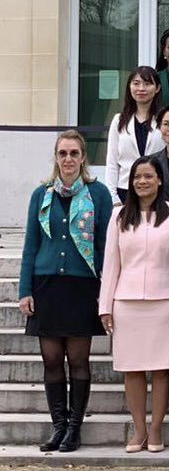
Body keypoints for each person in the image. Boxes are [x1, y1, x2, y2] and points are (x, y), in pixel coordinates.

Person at [18, 131, 113, 453]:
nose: (68, 159)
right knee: (51, 358)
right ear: (55, 158)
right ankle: (57, 427)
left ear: (83, 157)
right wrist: (25, 290)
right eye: (63, 153)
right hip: (47, 284)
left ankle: (75, 428)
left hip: (82, 284)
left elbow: (104, 246)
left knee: (78, 358)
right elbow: (31, 243)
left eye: (74, 153)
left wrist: (107, 290)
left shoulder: (98, 194)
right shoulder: (41, 194)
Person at [98, 157, 169, 453]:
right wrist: (105, 305)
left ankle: (156, 429)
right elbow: (111, 264)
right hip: (126, 302)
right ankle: (138, 429)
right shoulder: (119, 217)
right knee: (132, 369)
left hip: (166, 302)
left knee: (162, 368)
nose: (142, 182)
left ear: (159, 180)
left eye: (148, 176)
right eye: (137, 177)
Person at [106, 66, 166, 203]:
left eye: (147, 83)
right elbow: (112, 162)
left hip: (157, 190)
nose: (141, 89)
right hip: (125, 189)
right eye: (136, 83)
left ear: (157, 88)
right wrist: (113, 197)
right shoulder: (119, 121)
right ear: (129, 87)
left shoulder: (164, 120)